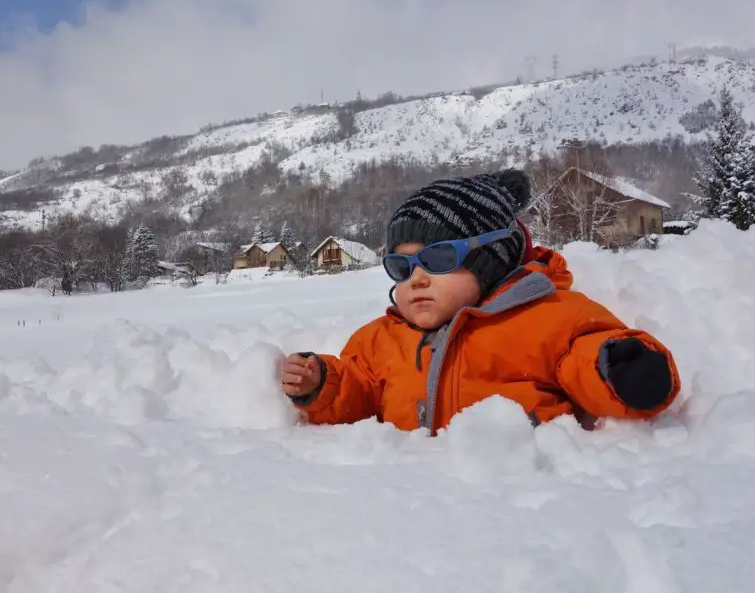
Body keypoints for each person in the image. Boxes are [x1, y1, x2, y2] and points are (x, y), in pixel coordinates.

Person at [280, 169, 680, 434]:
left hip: (519, 502)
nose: (416, 278)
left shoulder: (545, 316)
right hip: (409, 509)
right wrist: (323, 386)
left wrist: (622, 368)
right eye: (402, 266)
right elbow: (359, 389)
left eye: (437, 259)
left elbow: (585, 351)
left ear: (491, 260)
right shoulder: (380, 340)